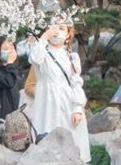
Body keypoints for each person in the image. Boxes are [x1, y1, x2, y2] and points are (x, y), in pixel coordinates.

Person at [29, 19, 90, 162]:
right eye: (54, 27)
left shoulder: (71, 56)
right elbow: (34, 59)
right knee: (46, 140)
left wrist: (77, 108)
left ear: (69, 34)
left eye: (62, 28)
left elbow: (76, 83)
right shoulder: (41, 51)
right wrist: (44, 38)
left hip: (68, 103)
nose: (57, 31)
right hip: (47, 103)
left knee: (72, 142)